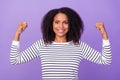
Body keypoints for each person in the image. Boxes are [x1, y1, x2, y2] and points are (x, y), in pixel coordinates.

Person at [10, 7, 112, 80]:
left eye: (65, 22)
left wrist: (104, 34)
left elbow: (105, 60)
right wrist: (18, 34)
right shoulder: (41, 44)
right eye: (57, 22)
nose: (61, 26)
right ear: (51, 24)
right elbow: (15, 60)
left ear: (71, 25)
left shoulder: (79, 46)